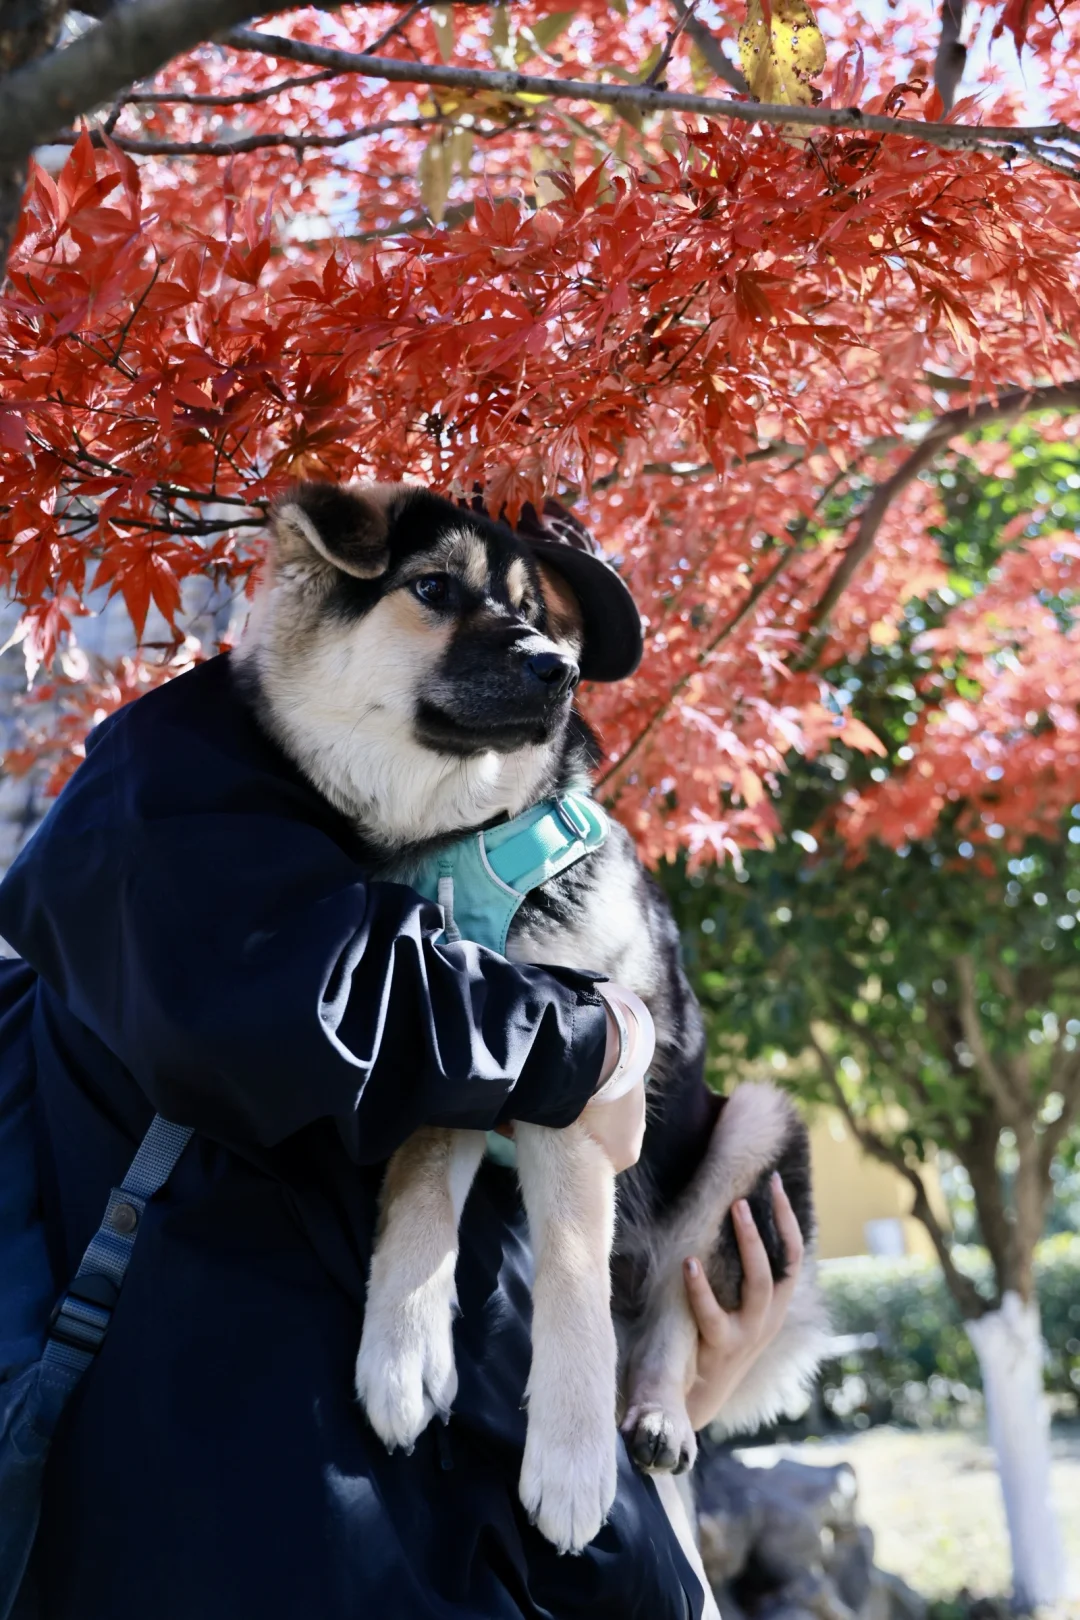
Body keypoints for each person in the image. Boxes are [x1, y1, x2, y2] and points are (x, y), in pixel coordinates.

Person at [0, 652, 803, 1620]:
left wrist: (666, 1391)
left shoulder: (133, 932)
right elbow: (376, 1010)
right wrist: (593, 1043)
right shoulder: (258, 943)